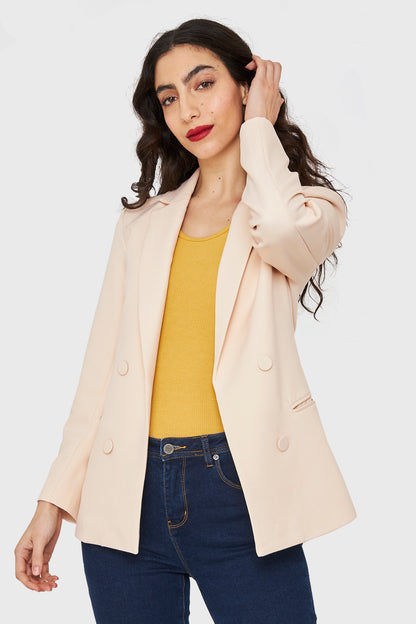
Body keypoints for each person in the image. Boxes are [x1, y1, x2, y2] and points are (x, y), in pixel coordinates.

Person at [14, 17, 357, 623]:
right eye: (169, 97)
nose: (188, 109)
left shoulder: (308, 208)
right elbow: (101, 375)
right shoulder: (142, 224)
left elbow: (281, 229)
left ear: (246, 87)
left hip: (240, 490)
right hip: (125, 496)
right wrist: (53, 500)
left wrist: (260, 128)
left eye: (204, 84)